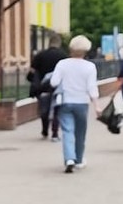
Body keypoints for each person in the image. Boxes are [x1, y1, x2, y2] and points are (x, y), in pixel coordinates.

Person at [49, 36, 100, 173]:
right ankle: (79, 159)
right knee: (80, 132)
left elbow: (53, 82)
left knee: (67, 131)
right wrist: (97, 106)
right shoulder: (90, 67)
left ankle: (69, 158)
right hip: (82, 102)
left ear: (71, 48)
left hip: (65, 101)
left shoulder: (62, 64)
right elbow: (92, 88)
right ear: (86, 50)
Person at [28, 34, 66, 139]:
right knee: (56, 109)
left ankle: (45, 129)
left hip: (42, 87)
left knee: (44, 109)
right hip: (57, 87)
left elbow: (32, 72)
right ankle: (55, 132)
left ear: (49, 43)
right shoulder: (63, 56)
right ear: (59, 44)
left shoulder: (40, 55)